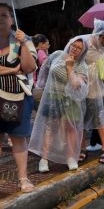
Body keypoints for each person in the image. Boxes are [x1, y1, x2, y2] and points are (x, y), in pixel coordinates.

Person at [29, 36, 89, 172]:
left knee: (71, 129)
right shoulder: (57, 55)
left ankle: (70, 157)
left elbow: (75, 84)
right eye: (74, 45)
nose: (75, 49)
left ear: (83, 52)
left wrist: (69, 67)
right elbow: (44, 69)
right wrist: (40, 85)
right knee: (50, 128)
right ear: (70, 43)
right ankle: (44, 159)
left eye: (80, 48)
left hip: (70, 100)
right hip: (53, 97)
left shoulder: (82, 65)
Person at [0, 3, 37, 192]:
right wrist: (13, 69)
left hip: (18, 97)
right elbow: (18, 69)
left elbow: (29, 67)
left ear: (12, 19)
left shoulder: (24, 39)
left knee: (18, 138)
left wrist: (22, 43)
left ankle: (23, 178)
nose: (0, 19)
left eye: (4, 15)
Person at [81, 19, 104, 164]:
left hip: (99, 91)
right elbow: (72, 61)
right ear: (102, 36)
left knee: (101, 119)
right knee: (80, 120)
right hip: (82, 89)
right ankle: (82, 149)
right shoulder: (84, 43)